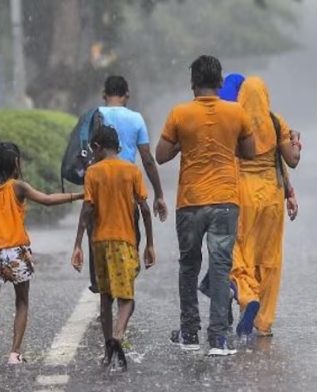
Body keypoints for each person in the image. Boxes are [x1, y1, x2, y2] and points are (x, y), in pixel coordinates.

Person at [156, 55, 255, 356]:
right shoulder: (236, 112)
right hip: (225, 201)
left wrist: (185, 141)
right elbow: (249, 152)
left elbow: (161, 155)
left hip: (190, 202)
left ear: (193, 84)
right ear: (221, 82)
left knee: (188, 265)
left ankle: (189, 332)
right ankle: (219, 339)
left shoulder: (179, 113)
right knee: (221, 266)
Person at [0, 142, 83, 367]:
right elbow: (48, 200)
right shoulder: (18, 187)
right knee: (22, 302)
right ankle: (14, 354)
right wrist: (79, 195)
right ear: (15, 163)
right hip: (16, 252)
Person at [71, 125, 155, 371]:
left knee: (106, 296)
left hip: (99, 242)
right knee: (127, 298)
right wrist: (149, 244)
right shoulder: (131, 170)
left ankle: (108, 348)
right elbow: (145, 210)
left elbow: (87, 209)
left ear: (97, 147)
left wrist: (77, 244)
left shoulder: (92, 173)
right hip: (125, 241)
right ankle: (118, 336)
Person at [229, 76, 301, 337]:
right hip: (272, 195)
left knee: (238, 250)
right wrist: (295, 144)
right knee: (269, 258)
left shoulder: (235, 119)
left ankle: (247, 297)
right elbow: (289, 161)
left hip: (242, 194)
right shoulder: (276, 121)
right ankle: (263, 322)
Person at [86, 75, 167, 294]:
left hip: (100, 188)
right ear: (127, 95)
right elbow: (147, 159)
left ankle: (100, 284)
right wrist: (159, 194)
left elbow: (90, 154)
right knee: (130, 236)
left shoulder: (97, 115)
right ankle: (125, 280)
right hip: (126, 190)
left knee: (96, 234)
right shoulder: (136, 119)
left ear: (104, 95)